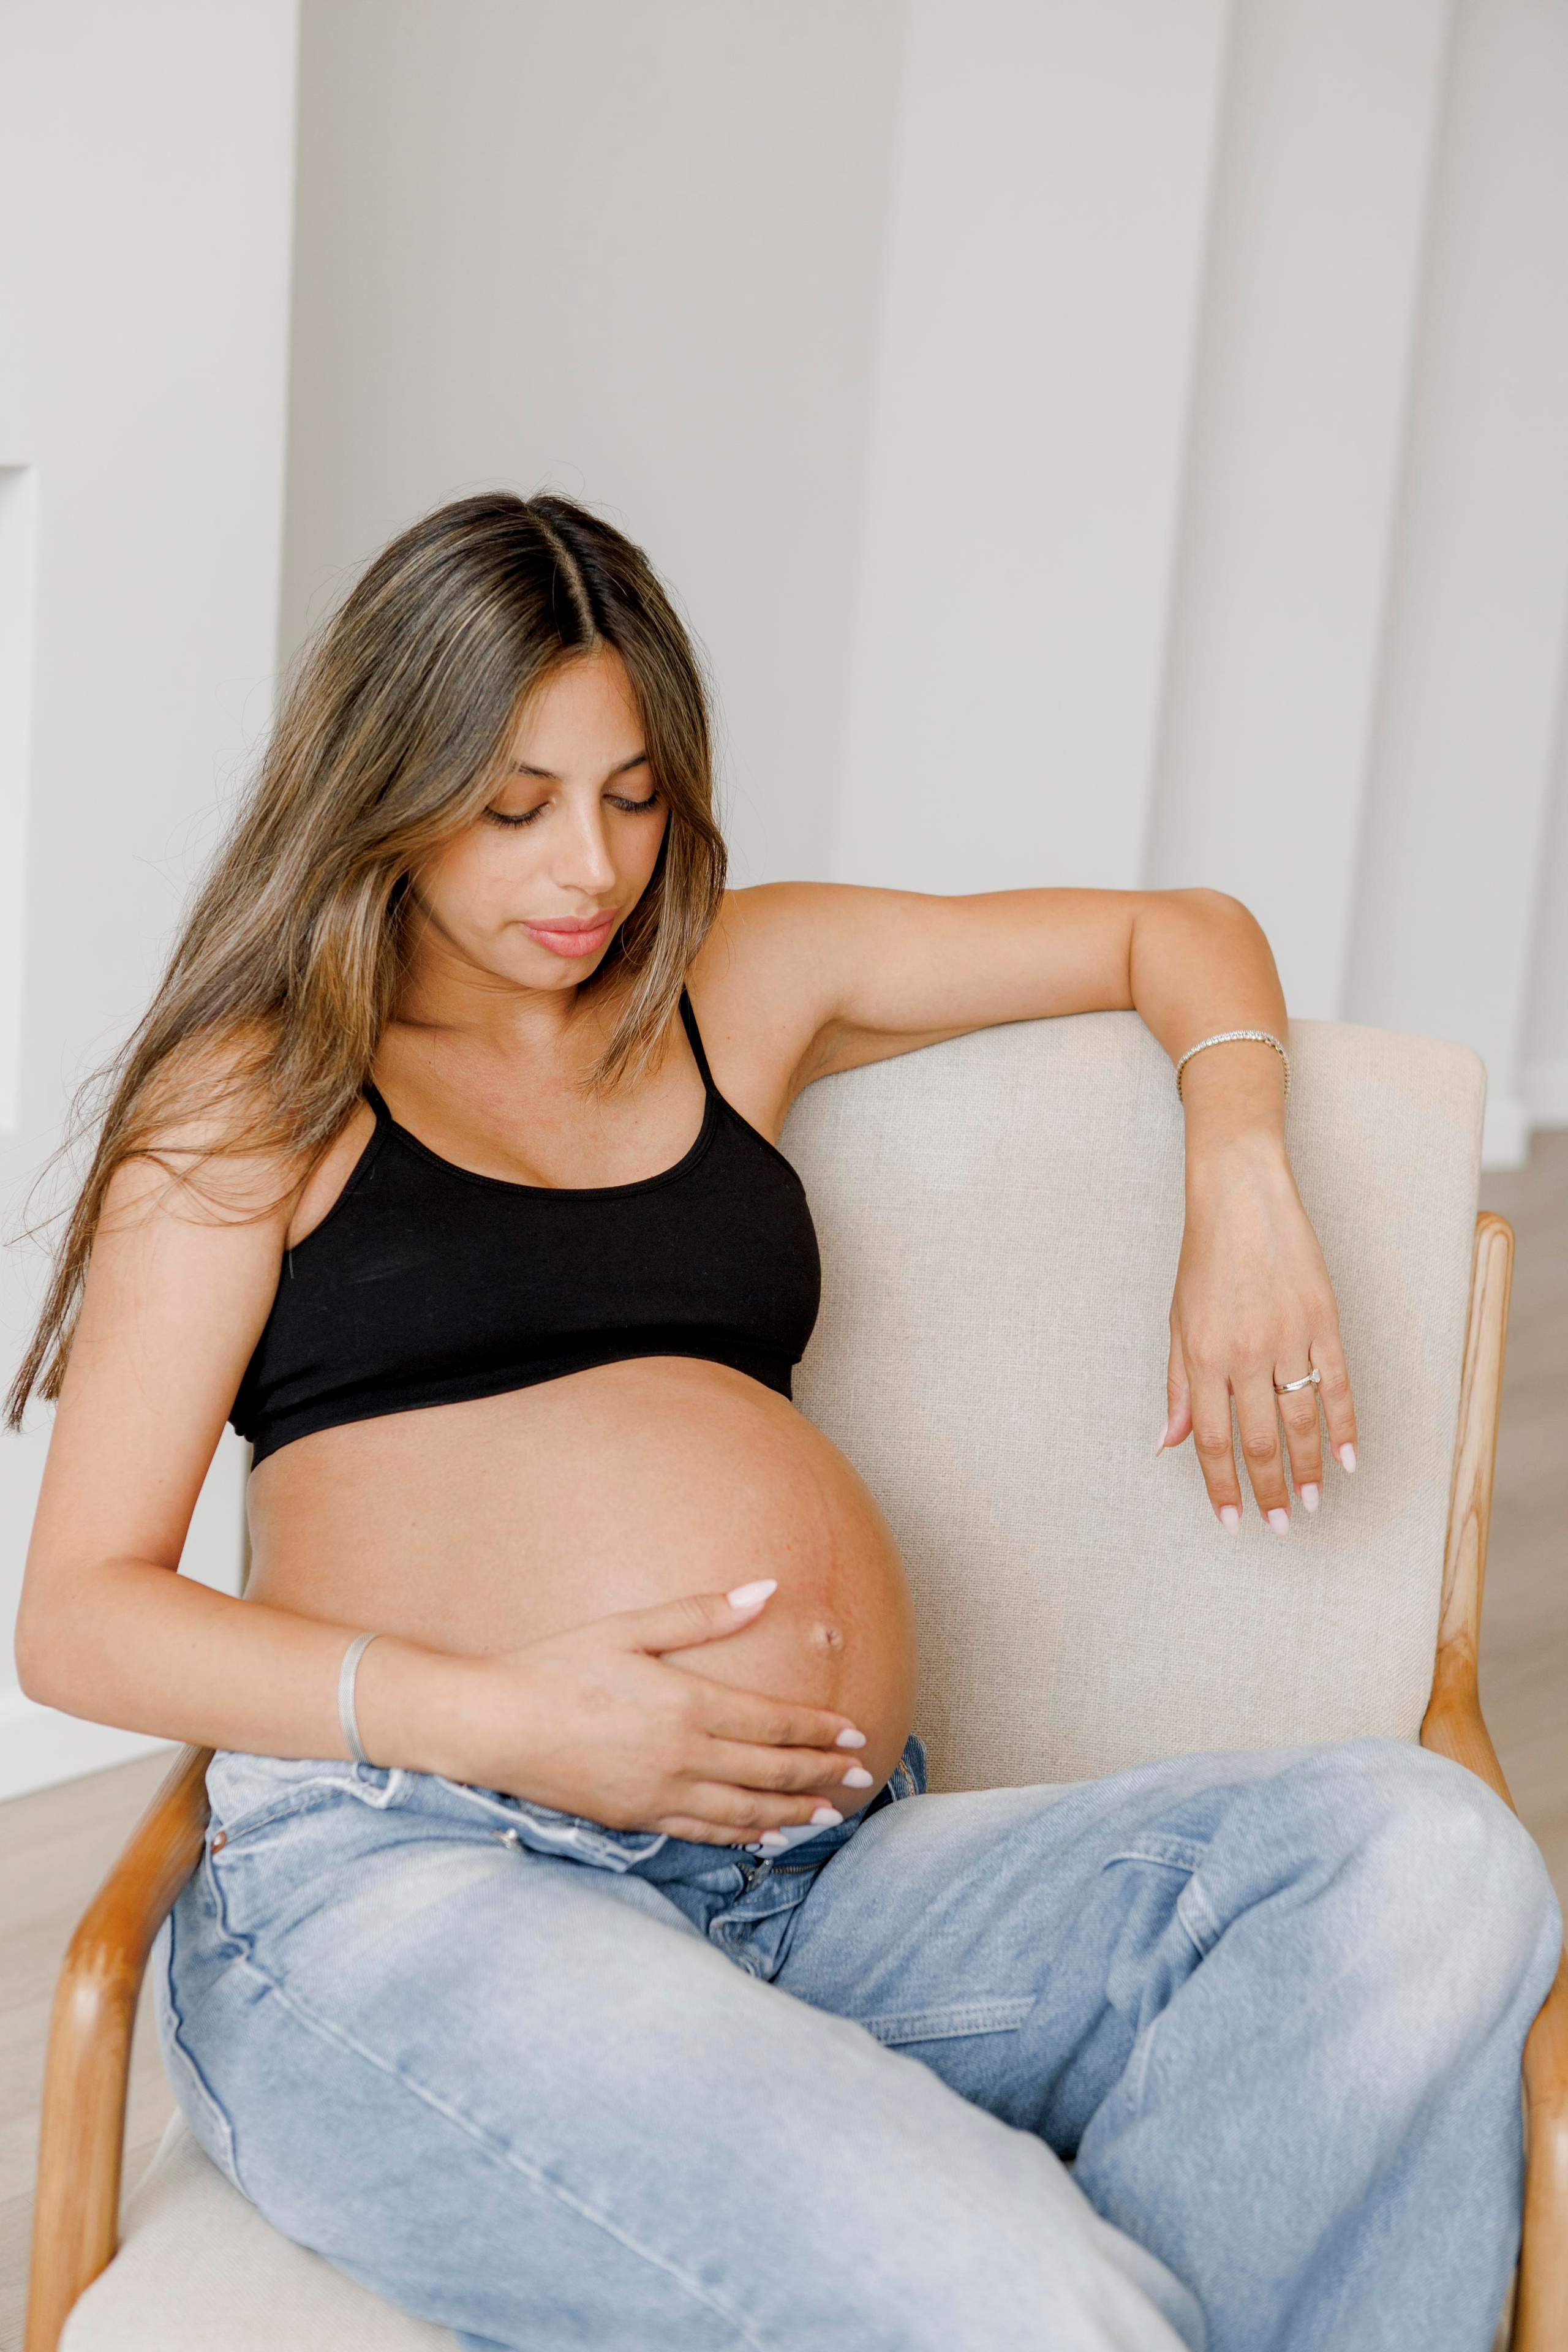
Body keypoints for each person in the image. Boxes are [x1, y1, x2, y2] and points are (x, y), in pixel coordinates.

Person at [11, 492, 1558, 2352]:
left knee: (1428, 1863)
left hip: (824, 1883)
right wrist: (512, 1719)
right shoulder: (259, 1095)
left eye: (634, 792)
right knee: (1006, 2294)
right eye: (513, 805)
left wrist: (1242, 1180)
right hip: (429, 1887)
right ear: (387, 783)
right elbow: (78, 1612)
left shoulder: (729, 985)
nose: (587, 864)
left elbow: (1182, 929)